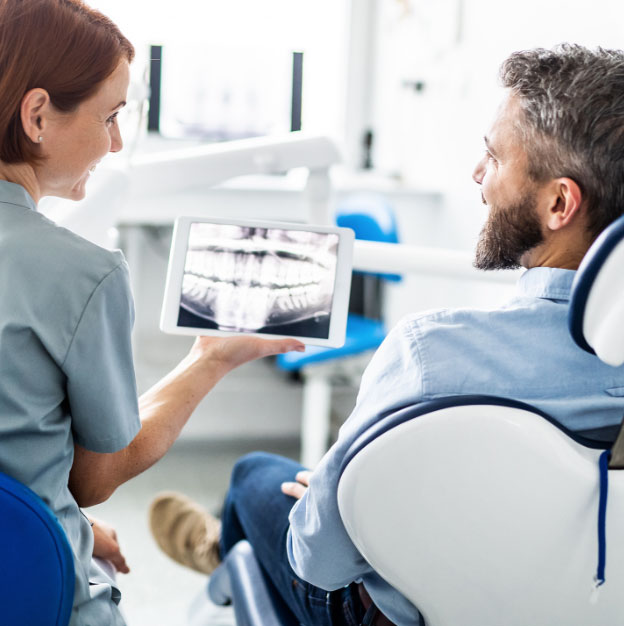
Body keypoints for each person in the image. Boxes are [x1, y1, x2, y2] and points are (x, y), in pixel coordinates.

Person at [149, 44, 624, 626]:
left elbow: (319, 563)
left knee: (257, 479)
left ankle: (220, 549)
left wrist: (326, 501)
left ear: (559, 202)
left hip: (399, 612)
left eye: (493, 157)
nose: (477, 174)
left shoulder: (429, 355)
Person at [0, 1, 304, 624]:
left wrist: (66, 524)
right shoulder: (83, 272)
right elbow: (93, 479)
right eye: (109, 117)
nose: (118, 141)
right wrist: (208, 361)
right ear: (38, 115)